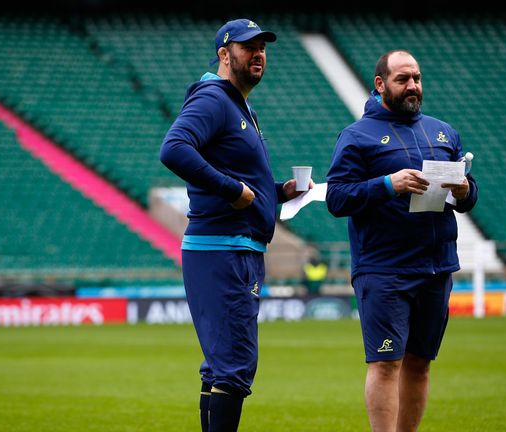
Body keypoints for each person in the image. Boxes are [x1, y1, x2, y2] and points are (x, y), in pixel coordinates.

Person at [159, 18, 309, 432]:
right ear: (225, 55)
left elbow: (246, 182)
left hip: (233, 247)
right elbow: (173, 149)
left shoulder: (240, 105)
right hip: (223, 248)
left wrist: (280, 191)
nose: (258, 53)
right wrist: (231, 189)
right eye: (248, 47)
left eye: (262, 47)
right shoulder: (214, 98)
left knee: (221, 367)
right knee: (235, 366)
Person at [325, 50, 478, 432]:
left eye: (417, 78)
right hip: (384, 269)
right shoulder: (356, 136)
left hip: (437, 265)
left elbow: (469, 197)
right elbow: (337, 198)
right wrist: (387, 184)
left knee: (420, 363)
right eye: (402, 79)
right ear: (380, 85)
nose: (413, 86)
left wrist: (464, 190)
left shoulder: (443, 132)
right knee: (386, 363)